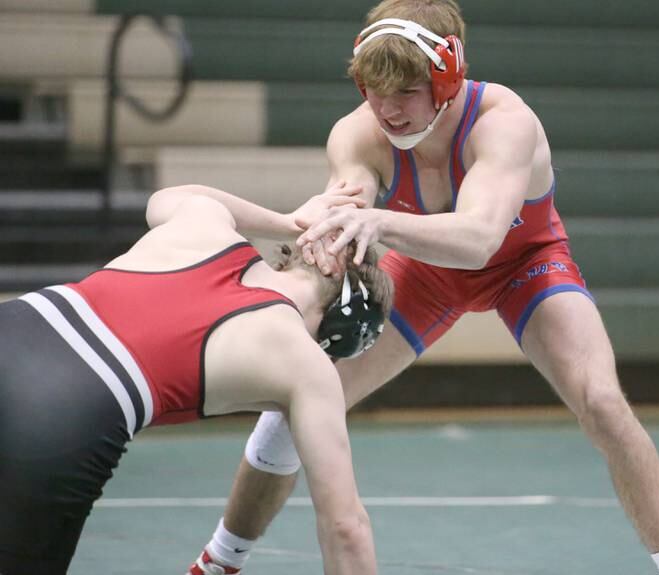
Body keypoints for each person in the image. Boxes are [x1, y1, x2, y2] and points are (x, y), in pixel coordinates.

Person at [189, 1, 659, 574]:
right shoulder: (357, 134)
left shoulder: (505, 123)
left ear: (448, 77)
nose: (388, 109)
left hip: (523, 263)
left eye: (406, 91)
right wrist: (326, 235)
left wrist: (379, 223)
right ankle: (216, 563)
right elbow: (349, 200)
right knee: (293, 405)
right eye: (373, 89)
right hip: (427, 269)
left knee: (604, 403)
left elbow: (481, 238)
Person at [0, 183, 393, 575]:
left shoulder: (206, 224)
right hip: (66, 407)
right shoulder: (305, 361)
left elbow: (163, 199)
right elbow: (345, 528)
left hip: (18, 324)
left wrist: (289, 222)